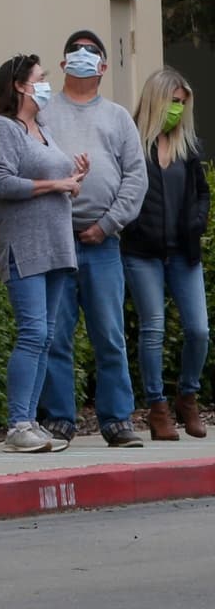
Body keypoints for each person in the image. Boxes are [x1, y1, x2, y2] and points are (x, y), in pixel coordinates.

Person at [39, 30, 147, 448]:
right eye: (75, 51)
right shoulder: (43, 113)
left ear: (103, 66)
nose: (82, 56)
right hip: (56, 242)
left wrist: (107, 224)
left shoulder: (118, 117)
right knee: (55, 336)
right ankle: (59, 419)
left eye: (91, 52)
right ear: (62, 64)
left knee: (110, 336)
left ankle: (117, 420)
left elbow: (135, 178)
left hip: (104, 244)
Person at [0, 54, 86, 453]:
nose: (46, 85)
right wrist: (56, 184)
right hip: (23, 244)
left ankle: (31, 423)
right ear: (19, 85)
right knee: (33, 332)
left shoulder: (42, 128)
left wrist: (73, 181)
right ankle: (18, 424)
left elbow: (54, 181)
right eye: (40, 78)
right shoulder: (0, 128)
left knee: (47, 336)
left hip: (55, 244)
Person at [121, 68, 210, 440]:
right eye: (173, 102)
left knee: (199, 330)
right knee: (152, 328)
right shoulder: (131, 142)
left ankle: (188, 397)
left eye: (182, 103)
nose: (178, 110)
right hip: (142, 252)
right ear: (156, 101)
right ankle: (157, 409)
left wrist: (197, 222)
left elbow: (201, 193)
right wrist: (133, 226)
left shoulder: (187, 146)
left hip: (183, 253)